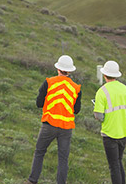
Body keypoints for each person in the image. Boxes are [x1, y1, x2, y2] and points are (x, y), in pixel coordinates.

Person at [26, 55, 82, 184]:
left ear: (58, 68)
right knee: (63, 158)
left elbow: (39, 103)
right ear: (70, 71)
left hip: (49, 124)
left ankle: (32, 180)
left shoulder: (49, 82)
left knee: (39, 152)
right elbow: (76, 110)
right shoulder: (76, 88)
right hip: (66, 128)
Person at [93, 61, 126, 184]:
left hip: (109, 134)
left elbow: (98, 116)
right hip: (123, 133)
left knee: (114, 166)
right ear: (117, 75)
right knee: (118, 162)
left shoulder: (102, 91)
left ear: (104, 75)